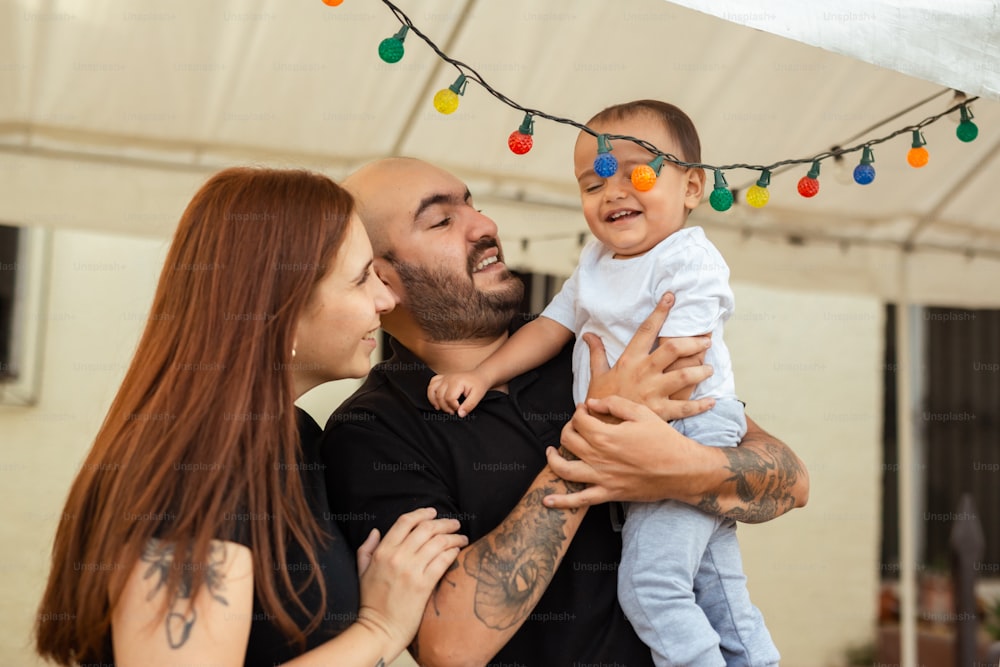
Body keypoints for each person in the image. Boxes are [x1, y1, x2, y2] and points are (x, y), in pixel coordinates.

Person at [322, 156, 808, 666]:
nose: (484, 226)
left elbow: (792, 482)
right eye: (442, 220)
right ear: (382, 279)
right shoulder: (370, 432)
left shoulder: (595, 336)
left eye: (473, 204)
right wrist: (598, 434)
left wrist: (679, 470)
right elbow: (449, 646)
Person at [34, 167, 467, 667]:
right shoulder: (194, 469)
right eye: (360, 278)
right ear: (278, 308)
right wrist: (379, 628)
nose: (385, 299)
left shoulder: (294, 437)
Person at [425, 100, 777, 666]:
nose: (613, 191)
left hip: (685, 426)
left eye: (638, 172)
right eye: (593, 182)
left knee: (652, 588)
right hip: (642, 425)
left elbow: (679, 364)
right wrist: (483, 372)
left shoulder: (687, 259)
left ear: (692, 188)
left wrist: (621, 416)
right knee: (715, 584)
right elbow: (550, 325)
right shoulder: (595, 262)